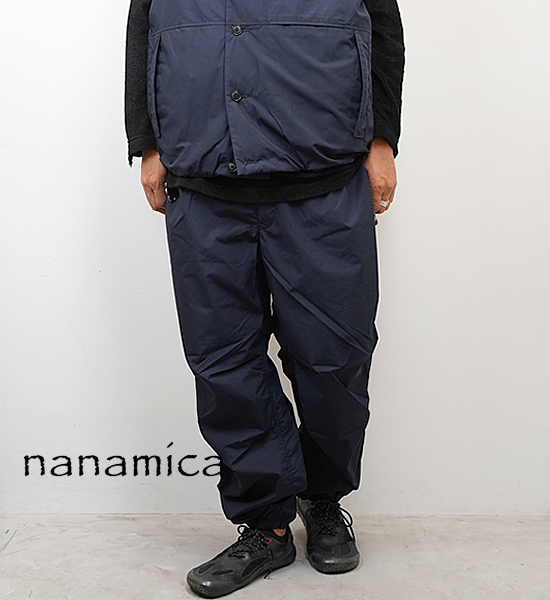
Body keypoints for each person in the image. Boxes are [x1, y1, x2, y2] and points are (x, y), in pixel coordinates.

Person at [125, 0, 404, 597]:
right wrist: (146, 141)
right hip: (202, 178)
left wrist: (383, 137)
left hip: (324, 177)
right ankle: (267, 525)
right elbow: (144, 21)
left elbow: (381, 19)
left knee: (335, 357)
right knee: (222, 360)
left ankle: (323, 500)